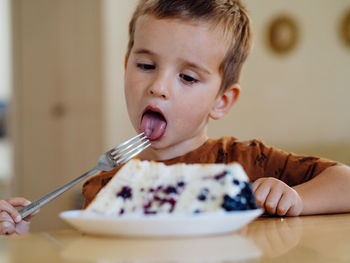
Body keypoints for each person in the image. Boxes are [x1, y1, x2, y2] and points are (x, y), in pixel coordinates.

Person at [1, 0, 350, 235]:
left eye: (187, 77)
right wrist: (19, 240)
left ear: (222, 101)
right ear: (126, 68)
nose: (158, 87)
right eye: (146, 66)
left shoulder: (248, 163)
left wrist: (297, 199)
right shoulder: (105, 187)